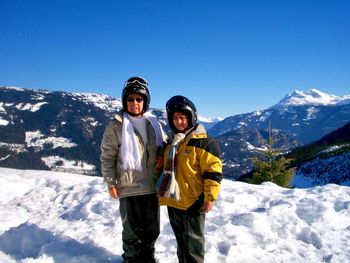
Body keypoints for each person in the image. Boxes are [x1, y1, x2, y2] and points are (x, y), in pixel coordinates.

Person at [100, 76, 165, 263]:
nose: (135, 103)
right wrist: (110, 182)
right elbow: (107, 156)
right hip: (128, 186)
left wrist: (161, 155)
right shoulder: (116, 125)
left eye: (139, 99)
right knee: (131, 230)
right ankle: (131, 259)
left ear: (145, 101)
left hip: (152, 186)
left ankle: (148, 258)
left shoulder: (153, 123)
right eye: (130, 99)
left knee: (152, 228)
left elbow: (162, 146)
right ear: (124, 101)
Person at [157, 95, 222, 263]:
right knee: (181, 243)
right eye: (175, 118)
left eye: (183, 117)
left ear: (191, 117)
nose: (179, 121)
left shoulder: (205, 143)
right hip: (174, 200)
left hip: (194, 202)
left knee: (193, 245)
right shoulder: (172, 142)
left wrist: (210, 197)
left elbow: (213, 172)